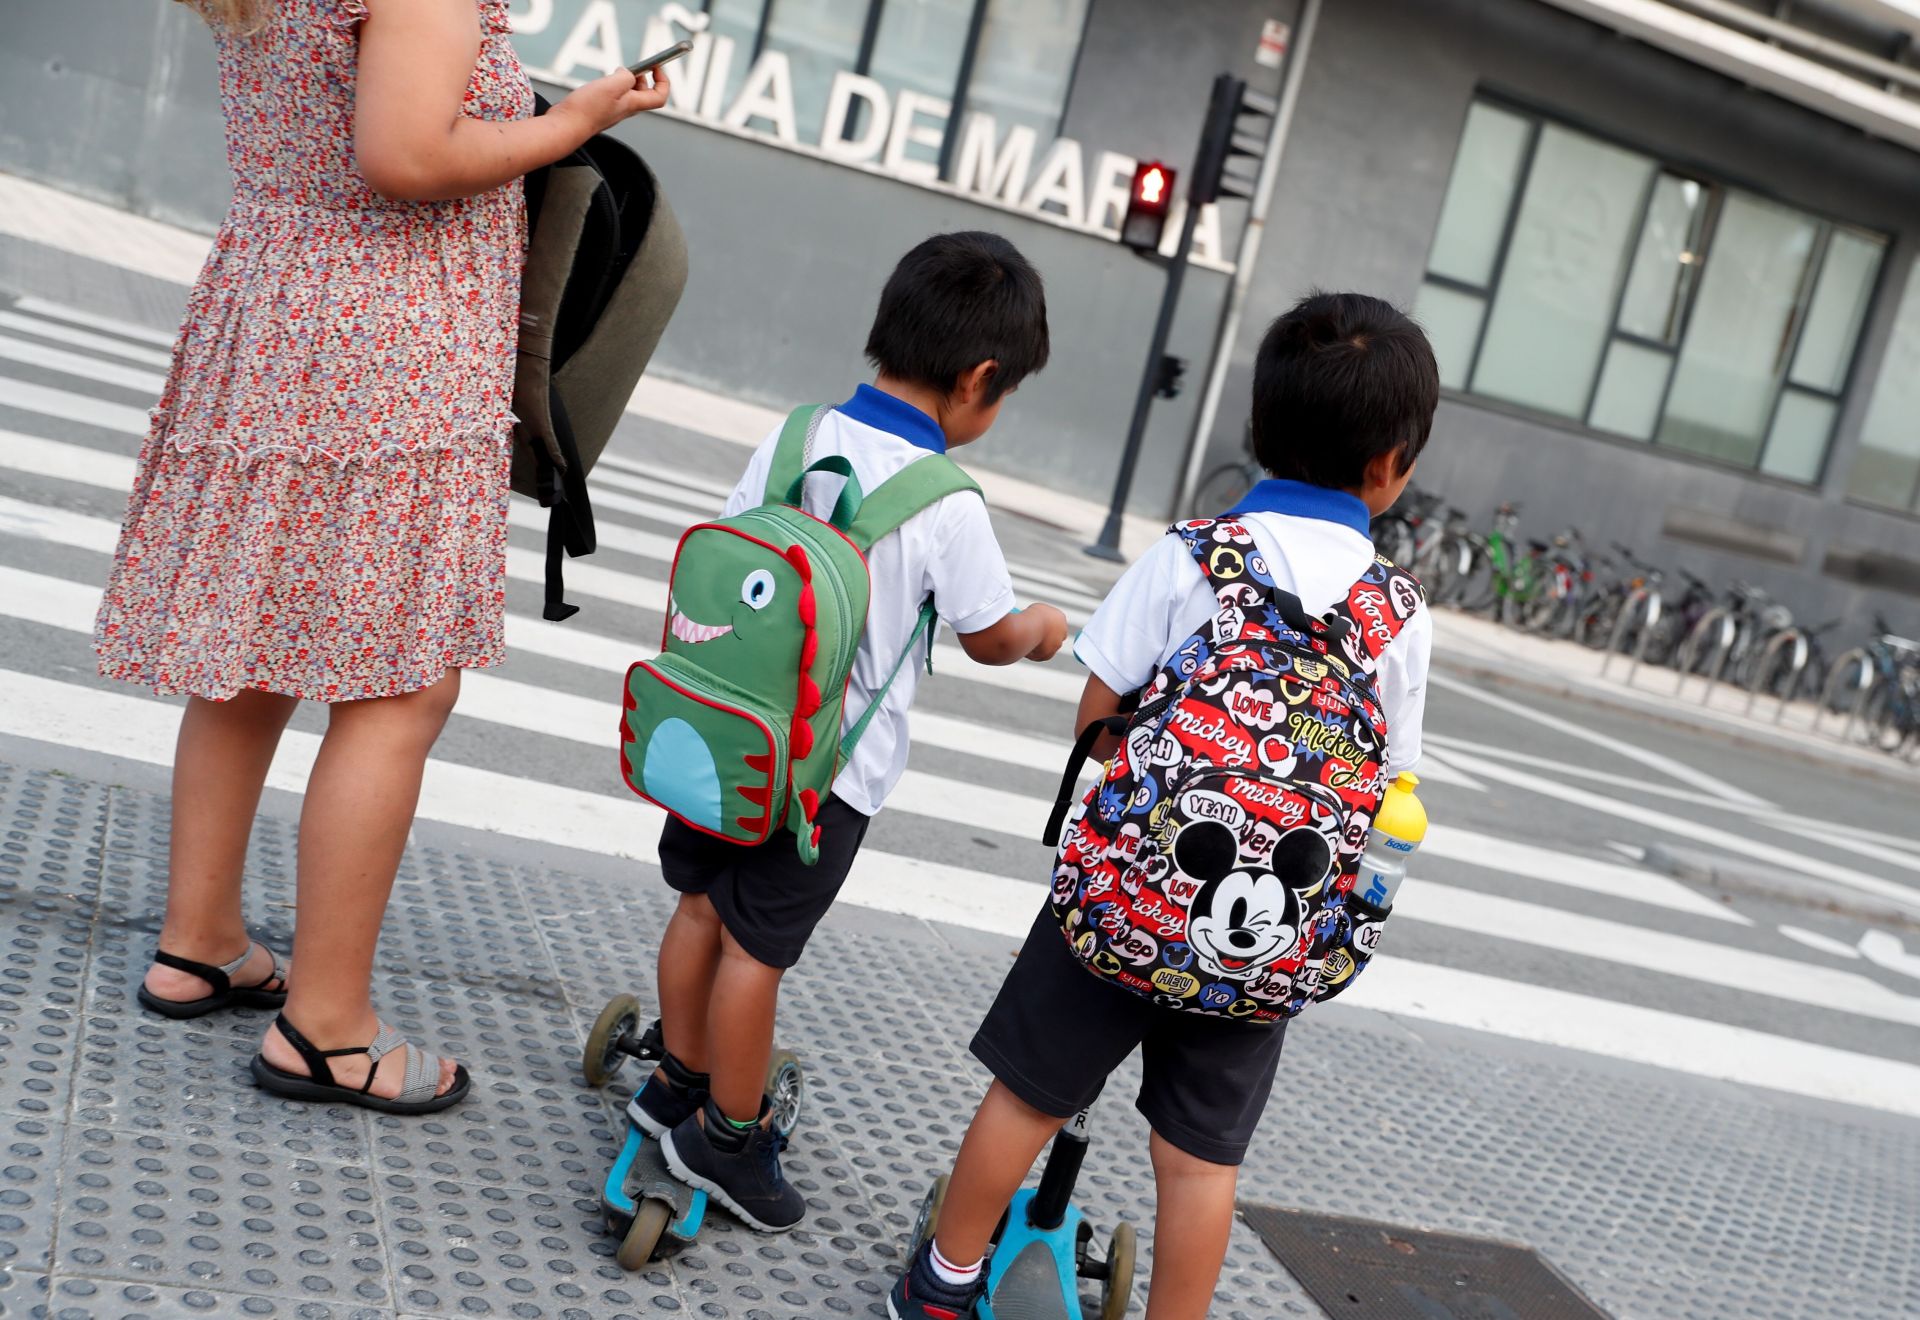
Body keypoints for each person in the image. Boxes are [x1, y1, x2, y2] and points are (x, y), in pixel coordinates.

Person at [94, 0, 669, 1113]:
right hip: (389, 333)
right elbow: (405, 154)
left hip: (277, 301)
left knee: (251, 636)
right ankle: (326, 1028)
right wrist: (578, 118)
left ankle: (201, 939)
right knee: (400, 686)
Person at [887, 292, 1440, 1320]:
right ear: (1392, 465)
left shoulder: (1193, 554)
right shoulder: (1395, 614)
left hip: (1120, 905)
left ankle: (943, 1283)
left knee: (1028, 1099)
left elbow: (1098, 720)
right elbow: (1392, 787)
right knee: (1197, 1165)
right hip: (1259, 949)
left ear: (1257, 432)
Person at [630, 232, 1072, 1233]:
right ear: (980, 379)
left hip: (727, 734)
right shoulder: (948, 504)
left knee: (701, 906)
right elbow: (992, 637)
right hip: (824, 779)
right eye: (1004, 398)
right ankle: (727, 1139)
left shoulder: (794, 435)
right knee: (757, 951)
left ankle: (673, 1080)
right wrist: (1044, 629)